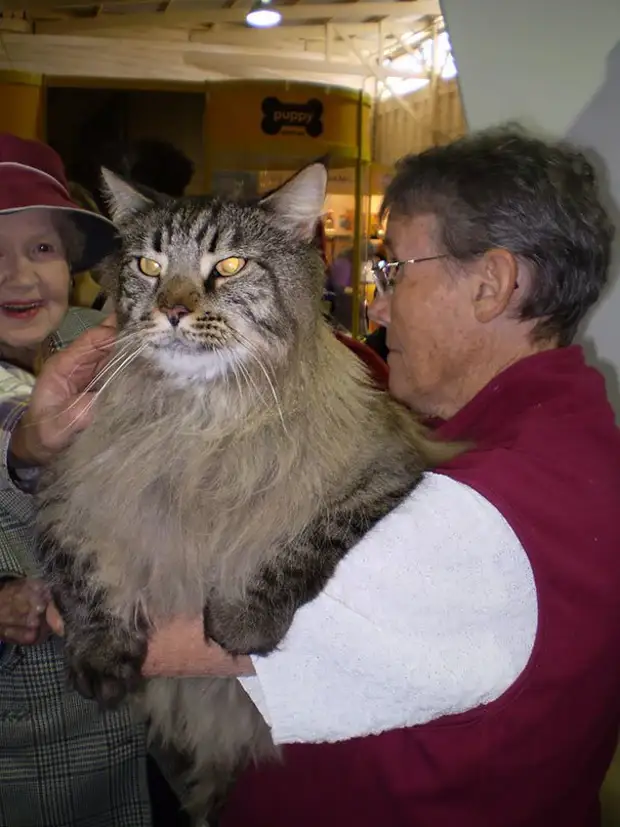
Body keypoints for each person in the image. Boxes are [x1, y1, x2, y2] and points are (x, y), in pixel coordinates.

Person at [13, 127, 620, 827]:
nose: (377, 304)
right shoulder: (549, 429)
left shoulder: (484, 513)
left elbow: (154, 637)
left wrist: (70, 577)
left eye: (392, 269)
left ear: (491, 285)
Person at [0, 132, 186, 827]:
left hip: (159, 724)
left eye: (41, 248)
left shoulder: (108, 337)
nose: (18, 276)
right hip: (39, 753)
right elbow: (21, 428)